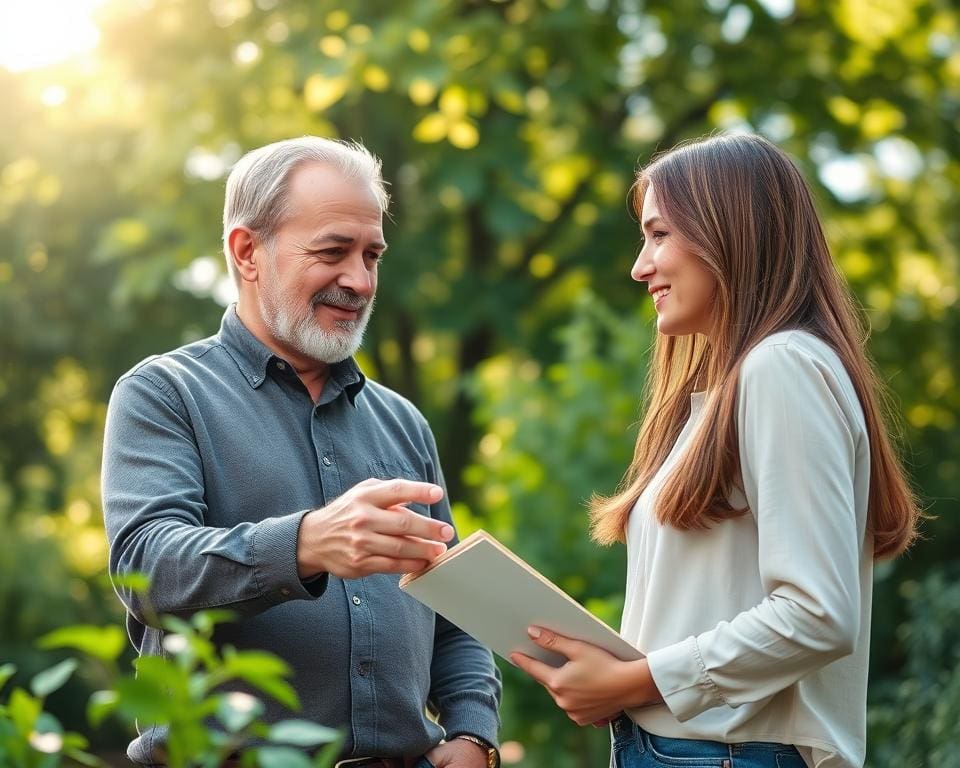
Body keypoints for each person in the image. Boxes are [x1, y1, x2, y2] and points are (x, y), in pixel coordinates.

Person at [511, 134, 920, 768]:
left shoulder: (781, 367)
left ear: (726, 234)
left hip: (726, 754)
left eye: (658, 236)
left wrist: (636, 681)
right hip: (684, 749)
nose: (639, 267)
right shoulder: (728, 391)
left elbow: (818, 614)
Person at [102, 136, 501, 768]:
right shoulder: (163, 394)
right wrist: (306, 544)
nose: (359, 280)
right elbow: (146, 568)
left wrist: (474, 733)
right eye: (333, 251)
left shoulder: (404, 423)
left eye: (372, 254)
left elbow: (455, 609)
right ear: (247, 251)